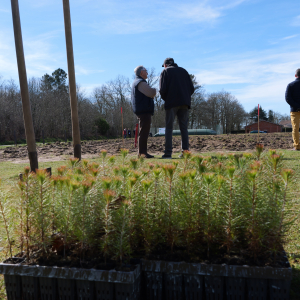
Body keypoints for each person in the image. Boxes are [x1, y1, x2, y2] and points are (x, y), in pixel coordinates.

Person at [159, 58, 194, 158]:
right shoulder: (184, 71)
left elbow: (162, 89)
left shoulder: (165, 71)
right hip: (184, 103)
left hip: (171, 103)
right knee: (184, 128)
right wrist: (185, 97)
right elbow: (191, 88)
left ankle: (168, 153)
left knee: (169, 128)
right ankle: (185, 152)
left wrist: (167, 98)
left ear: (165, 65)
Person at [131, 65, 157, 158]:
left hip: (142, 110)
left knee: (144, 132)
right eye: (146, 71)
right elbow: (151, 92)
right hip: (144, 111)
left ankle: (142, 153)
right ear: (141, 72)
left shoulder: (137, 82)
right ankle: (142, 153)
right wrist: (155, 90)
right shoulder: (140, 82)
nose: (147, 73)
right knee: (144, 132)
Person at [285, 68, 300, 150]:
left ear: (295, 75)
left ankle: (297, 146)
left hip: (295, 110)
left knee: (295, 129)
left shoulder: (290, 85)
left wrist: (297, 106)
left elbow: (288, 98)